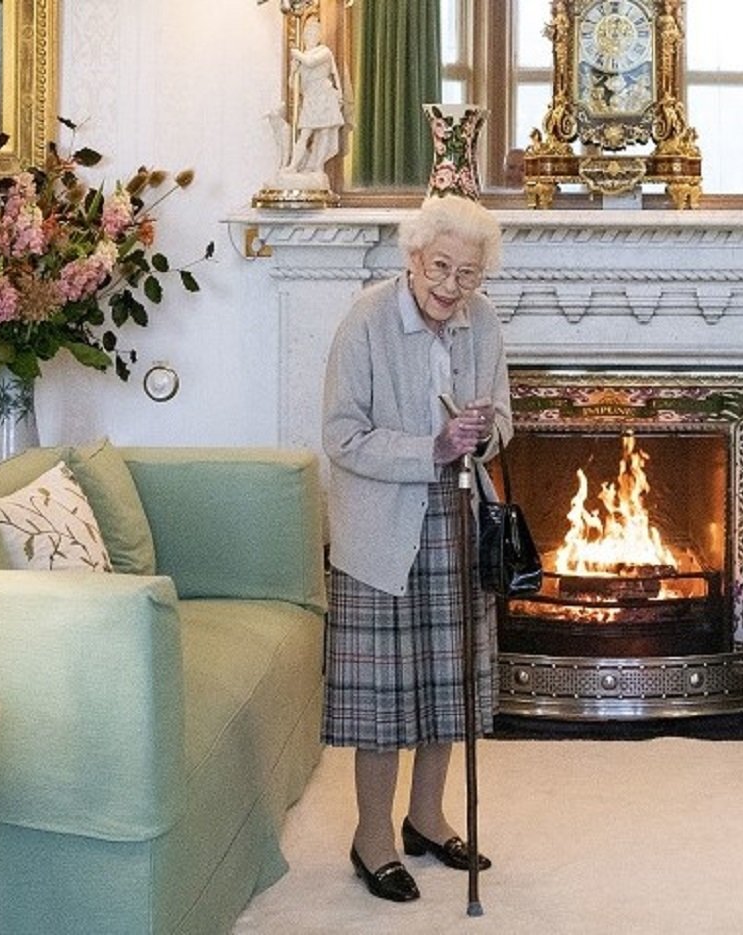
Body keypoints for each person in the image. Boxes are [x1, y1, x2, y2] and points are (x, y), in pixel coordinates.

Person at [321, 194, 511, 903]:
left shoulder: (482, 321)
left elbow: (504, 418)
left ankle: (426, 817)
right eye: (441, 267)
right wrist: (430, 446)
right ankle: (372, 836)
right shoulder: (367, 319)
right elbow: (340, 435)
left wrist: (482, 432)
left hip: (457, 516)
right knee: (384, 697)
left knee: (445, 683)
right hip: (380, 526)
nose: (451, 286)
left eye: (467, 273)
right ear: (412, 257)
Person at [282, 17, 347, 176]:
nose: (310, 36)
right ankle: (293, 166)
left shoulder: (323, 52)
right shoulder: (302, 57)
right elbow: (293, 85)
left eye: (313, 33)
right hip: (311, 97)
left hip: (324, 95)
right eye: (307, 33)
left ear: (318, 37)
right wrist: (293, 70)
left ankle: (318, 166)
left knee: (325, 131)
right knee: (304, 133)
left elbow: (310, 62)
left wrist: (297, 54)